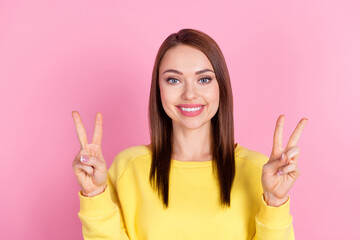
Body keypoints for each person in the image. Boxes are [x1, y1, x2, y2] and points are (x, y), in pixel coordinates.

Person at [72, 28, 308, 240]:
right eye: (174, 80)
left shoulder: (258, 171)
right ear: (159, 89)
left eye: (203, 79)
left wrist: (275, 202)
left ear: (221, 87)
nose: (189, 94)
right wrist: (95, 194)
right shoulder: (128, 167)